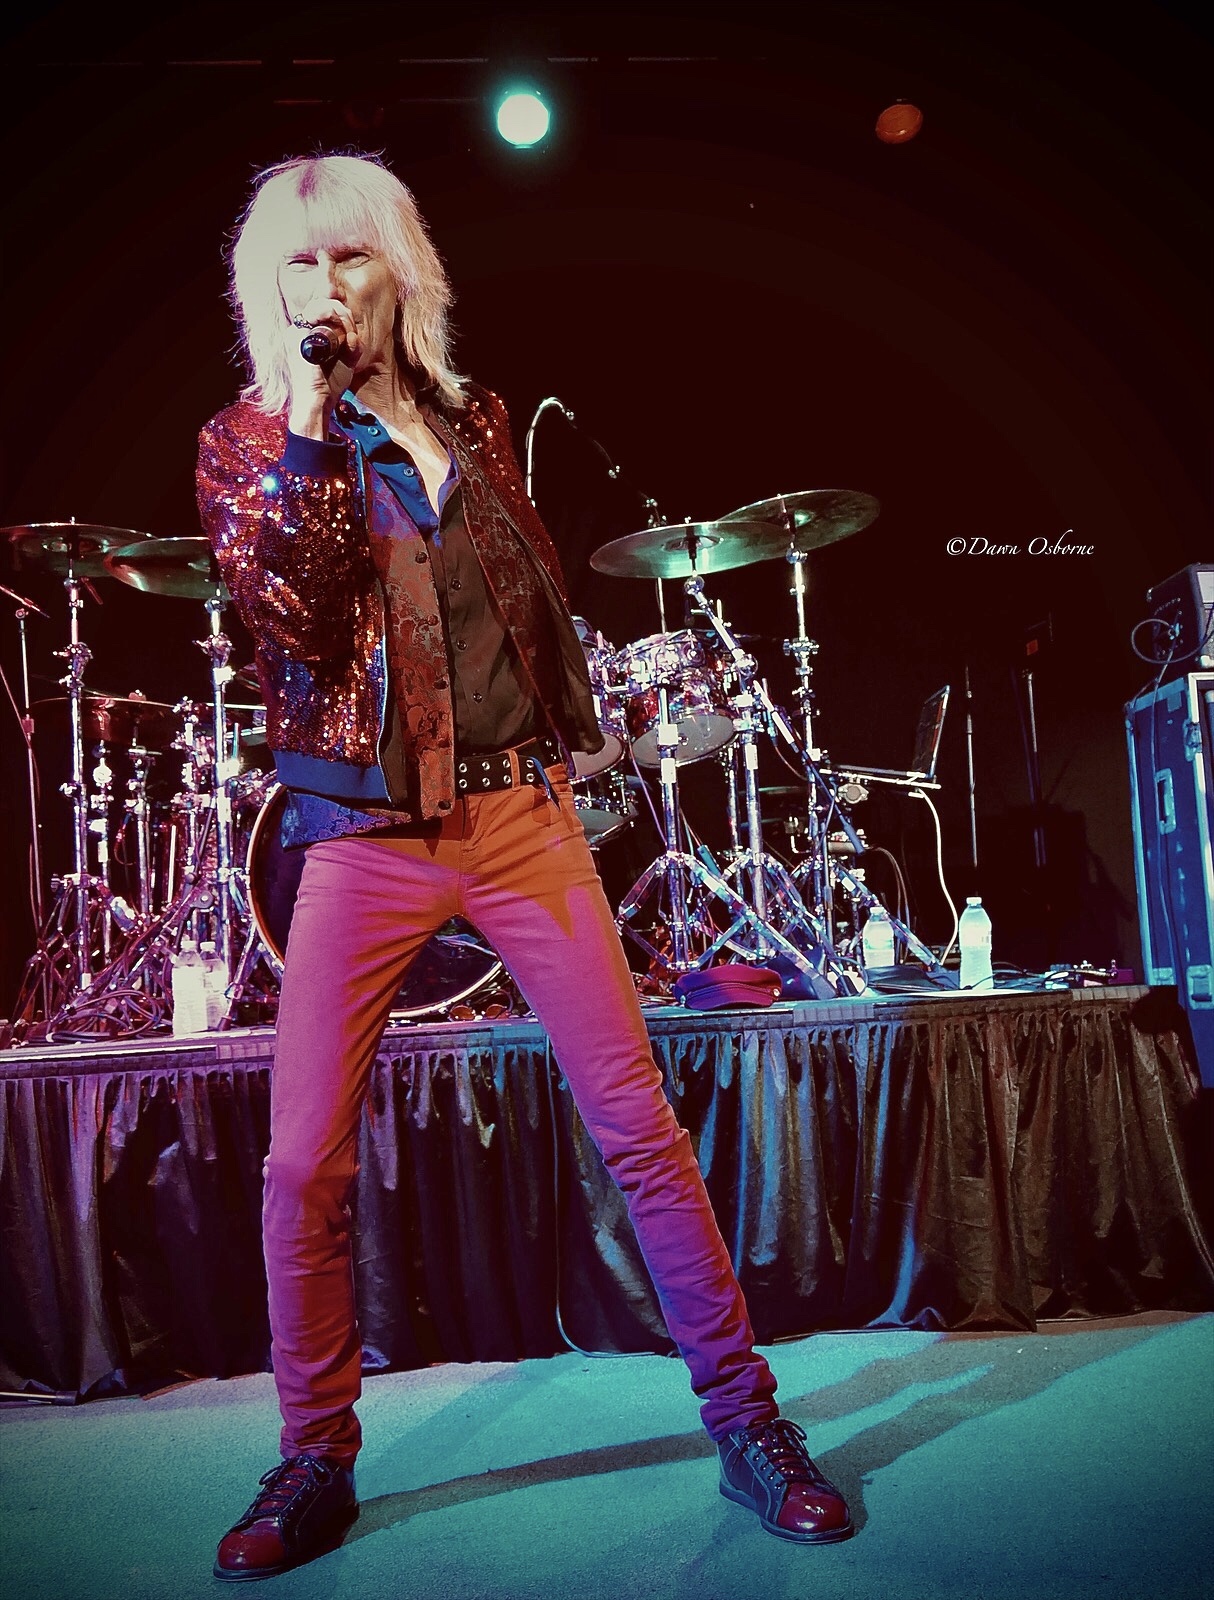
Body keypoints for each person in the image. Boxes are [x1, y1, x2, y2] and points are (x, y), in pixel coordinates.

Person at [197, 150, 852, 1582]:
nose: (327, 285)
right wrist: (309, 420)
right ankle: (314, 1455)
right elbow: (295, 613)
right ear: (269, 286)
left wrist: (585, 736)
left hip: (520, 822)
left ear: (399, 272)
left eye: (350, 256)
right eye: (300, 262)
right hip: (363, 840)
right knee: (303, 1160)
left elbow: (526, 607)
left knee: (638, 1128)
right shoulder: (247, 444)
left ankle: (748, 1422)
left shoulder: (474, 419)